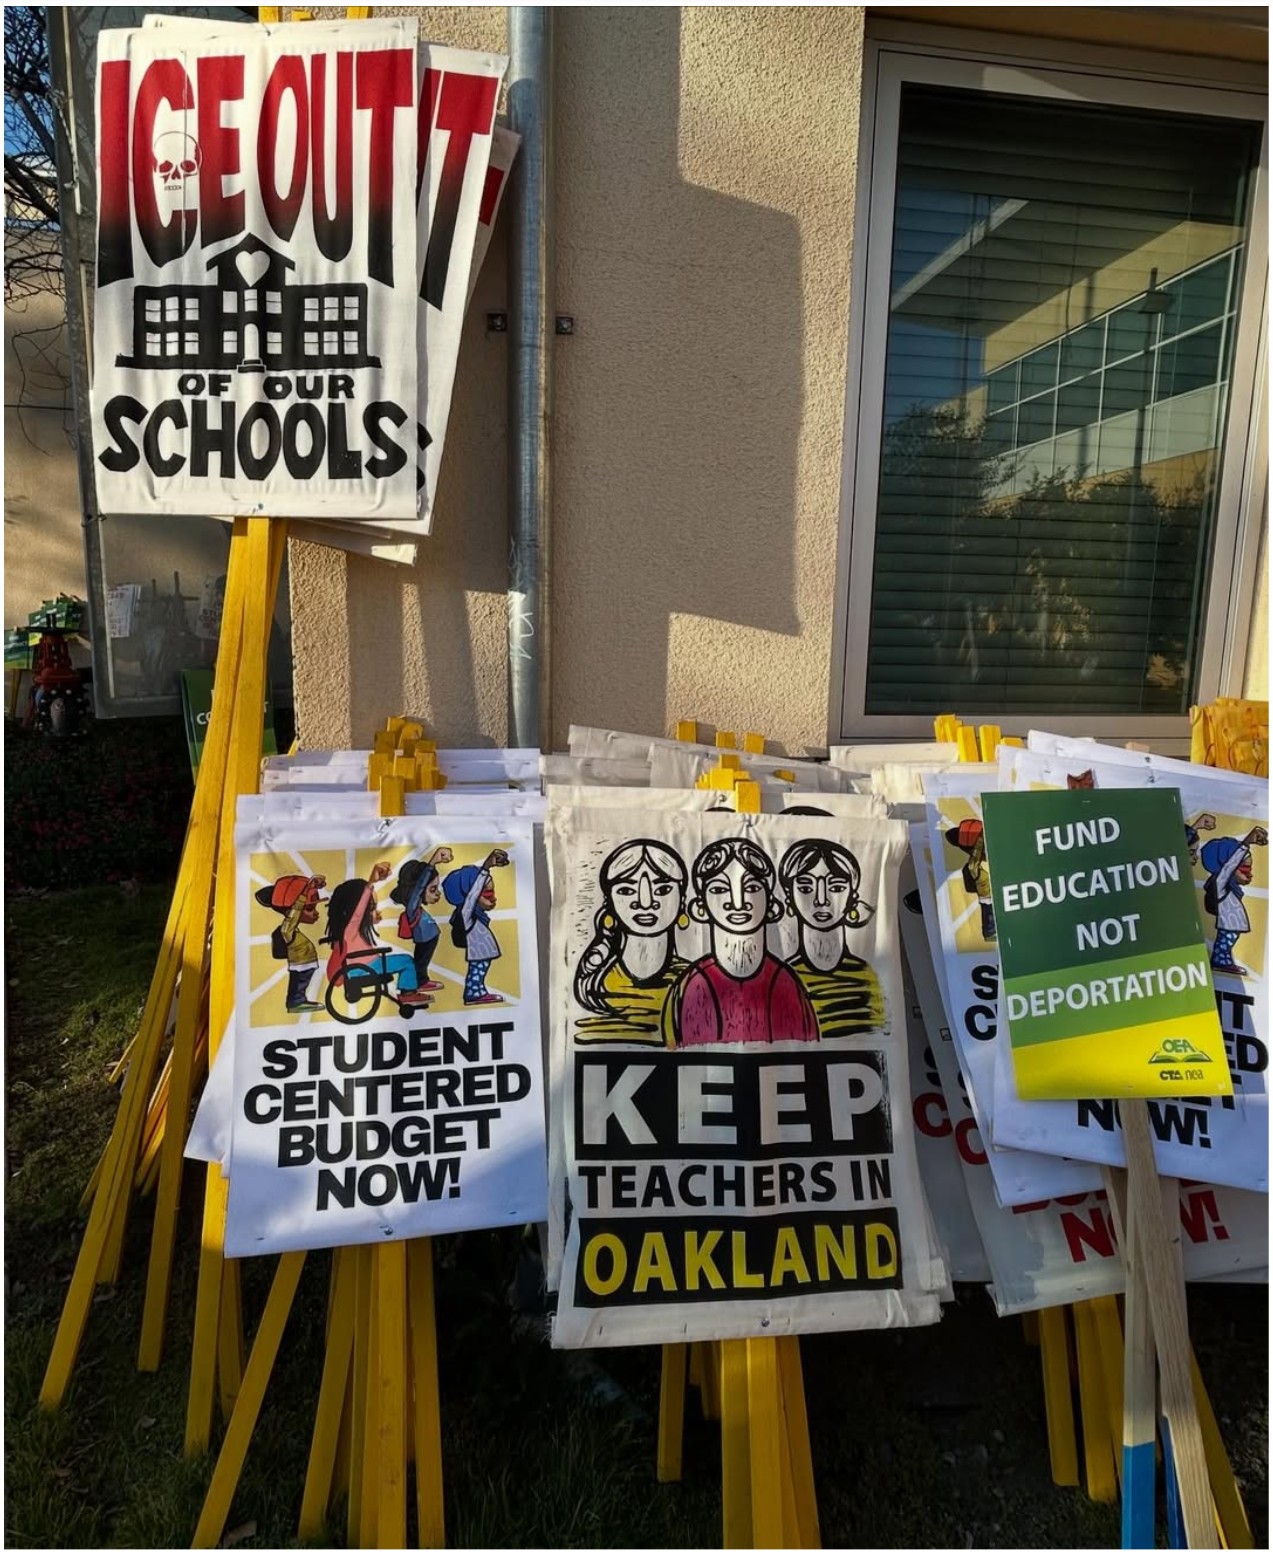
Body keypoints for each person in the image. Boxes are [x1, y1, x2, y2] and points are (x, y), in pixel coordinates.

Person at [665, 836, 818, 1047]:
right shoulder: (693, 985)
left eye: (752, 888)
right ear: (700, 906)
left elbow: (805, 1050)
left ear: (771, 903)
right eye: (719, 890)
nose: (738, 903)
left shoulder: (785, 982)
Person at [573, 839, 690, 1043]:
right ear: (609, 902)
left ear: (682, 900)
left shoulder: (693, 982)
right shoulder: (595, 983)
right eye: (626, 890)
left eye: (662, 890)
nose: (646, 902)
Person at [777, 837, 884, 1037]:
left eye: (835, 887)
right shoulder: (783, 979)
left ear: (853, 896)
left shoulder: (868, 977)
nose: (821, 900)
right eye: (806, 888)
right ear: (789, 897)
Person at [322, 862, 430, 1006]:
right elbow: (358, 913)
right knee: (407, 961)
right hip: (366, 968)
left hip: (363, 967)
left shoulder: (345, 932)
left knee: (404, 960)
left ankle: (408, 992)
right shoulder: (351, 928)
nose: (376, 912)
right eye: (371, 908)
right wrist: (371, 883)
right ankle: (408, 993)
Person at [442, 849, 511, 1005]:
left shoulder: (479, 916)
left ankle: (477, 992)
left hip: (481, 955)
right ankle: (473, 994)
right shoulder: (466, 913)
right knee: (476, 971)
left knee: (479, 970)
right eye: (486, 893)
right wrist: (485, 868)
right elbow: (472, 896)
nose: (493, 898)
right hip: (478, 954)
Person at [1200, 827, 1268, 975]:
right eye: (1244, 869)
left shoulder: (1232, 890)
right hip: (1227, 926)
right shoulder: (1220, 883)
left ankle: (1224, 961)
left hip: (1231, 927)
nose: (1249, 874)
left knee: (1227, 943)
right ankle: (1220, 961)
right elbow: (1229, 867)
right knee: (1224, 943)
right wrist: (1246, 843)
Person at [255, 873, 326, 1014]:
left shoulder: (292, 928)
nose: (316, 914)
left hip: (305, 964)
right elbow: (296, 910)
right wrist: (305, 891)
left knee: (301, 984)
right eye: (310, 909)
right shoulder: (287, 928)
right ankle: (295, 1003)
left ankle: (299, 1001)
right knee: (298, 984)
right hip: (300, 965)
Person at [389, 847, 453, 993]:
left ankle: (421, 980)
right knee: (421, 961)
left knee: (422, 961)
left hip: (429, 938)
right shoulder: (412, 905)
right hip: (425, 939)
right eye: (432, 889)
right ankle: (420, 982)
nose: (437, 894)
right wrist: (431, 864)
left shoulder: (415, 907)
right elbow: (419, 886)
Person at [945, 817, 995, 941]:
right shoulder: (976, 847)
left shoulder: (977, 842)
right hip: (984, 888)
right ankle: (990, 931)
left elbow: (974, 863)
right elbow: (974, 865)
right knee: (987, 902)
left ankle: (990, 930)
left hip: (984, 886)